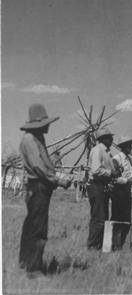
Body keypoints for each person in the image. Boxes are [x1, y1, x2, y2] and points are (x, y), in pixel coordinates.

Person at [19, 104, 72, 279]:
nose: (49, 126)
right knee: (37, 228)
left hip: (41, 186)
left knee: (32, 225)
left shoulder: (37, 138)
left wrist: (57, 177)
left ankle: (26, 262)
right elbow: (39, 167)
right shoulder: (30, 140)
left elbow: (45, 165)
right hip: (38, 186)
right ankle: (33, 269)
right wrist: (59, 180)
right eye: (47, 123)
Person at [86, 128, 120, 250]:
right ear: (104, 139)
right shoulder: (98, 151)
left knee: (103, 217)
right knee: (98, 218)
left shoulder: (106, 152)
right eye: (110, 137)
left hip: (102, 187)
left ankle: (99, 245)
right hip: (96, 186)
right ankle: (93, 246)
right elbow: (96, 171)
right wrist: (111, 173)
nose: (112, 140)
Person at [111, 136, 132, 250]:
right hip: (118, 191)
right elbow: (114, 178)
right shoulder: (117, 159)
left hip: (126, 191)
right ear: (124, 147)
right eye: (129, 145)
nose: (131, 147)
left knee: (126, 218)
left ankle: (123, 244)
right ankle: (115, 244)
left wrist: (131, 179)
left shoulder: (128, 159)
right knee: (117, 218)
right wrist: (127, 181)